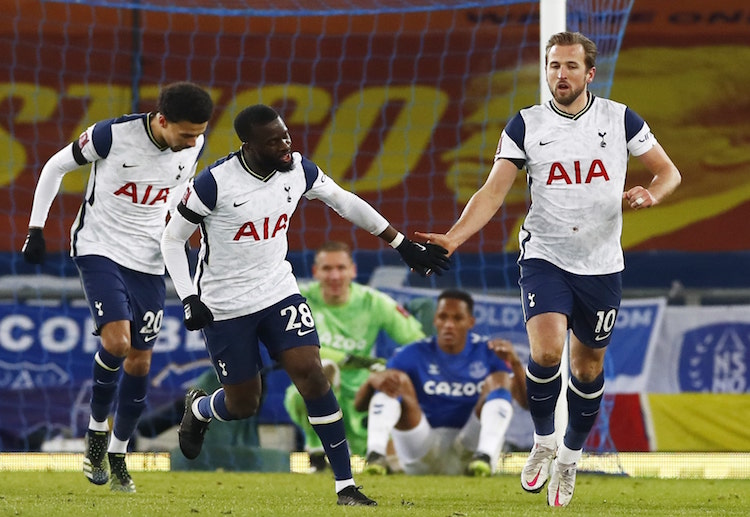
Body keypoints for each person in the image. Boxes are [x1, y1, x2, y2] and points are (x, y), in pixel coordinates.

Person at [416, 31, 681, 506]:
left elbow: (669, 172)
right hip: (546, 256)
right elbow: (493, 191)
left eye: (570, 67)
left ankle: (571, 457)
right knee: (546, 351)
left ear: (589, 73)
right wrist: (454, 236)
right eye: (554, 66)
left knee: (588, 366)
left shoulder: (619, 119)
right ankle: (543, 441)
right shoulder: (525, 124)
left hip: (601, 264)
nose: (561, 75)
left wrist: (650, 193)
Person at [159, 103, 450, 506]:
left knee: (312, 373)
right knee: (244, 403)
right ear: (248, 146)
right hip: (225, 304)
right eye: (274, 141)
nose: (285, 146)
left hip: (277, 290)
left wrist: (400, 243)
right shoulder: (213, 184)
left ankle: (345, 484)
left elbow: (345, 201)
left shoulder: (298, 169)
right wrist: (189, 297)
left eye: (286, 136)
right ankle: (203, 410)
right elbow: (172, 240)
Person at [21, 81, 215, 492]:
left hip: (149, 256)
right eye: (185, 134)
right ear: (162, 120)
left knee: (141, 362)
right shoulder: (110, 135)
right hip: (99, 247)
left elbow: (180, 190)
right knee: (117, 342)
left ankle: (119, 453)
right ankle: (95, 432)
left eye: (198, 134)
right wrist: (35, 229)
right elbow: (55, 166)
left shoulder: (193, 145)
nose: (192, 142)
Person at [284, 241, 427, 471]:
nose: (335, 275)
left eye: (341, 268)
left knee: (395, 468)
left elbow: (416, 341)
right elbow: (286, 345)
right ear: (315, 272)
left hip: (362, 393)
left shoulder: (373, 302)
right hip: (317, 389)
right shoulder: (298, 299)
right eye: (327, 269)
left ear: (353, 270)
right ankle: (316, 454)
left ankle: (378, 456)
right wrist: (357, 360)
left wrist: (391, 367)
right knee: (315, 376)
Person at [353, 289, 527, 476]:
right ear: (435, 320)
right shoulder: (412, 353)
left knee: (499, 379)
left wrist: (515, 363)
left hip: (466, 451)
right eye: (443, 317)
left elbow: (527, 404)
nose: (448, 325)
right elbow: (359, 406)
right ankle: (375, 455)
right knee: (393, 380)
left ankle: (484, 456)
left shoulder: (490, 353)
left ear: (470, 322)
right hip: (421, 450)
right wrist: (372, 382)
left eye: (457, 318)